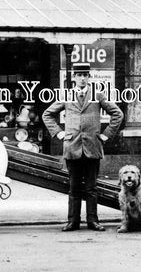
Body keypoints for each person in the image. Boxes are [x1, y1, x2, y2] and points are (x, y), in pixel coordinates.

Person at [42, 63, 123, 232]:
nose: (82, 78)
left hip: (92, 147)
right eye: (79, 75)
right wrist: (59, 133)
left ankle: (93, 221)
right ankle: (73, 222)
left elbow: (117, 114)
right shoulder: (67, 95)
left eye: (85, 75)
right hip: (72, 146)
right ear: (74, 78)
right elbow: (47, 114)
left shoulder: (97, 95)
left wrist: (106, 134)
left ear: (89, 77)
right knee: (74, 188)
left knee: (92, 188)